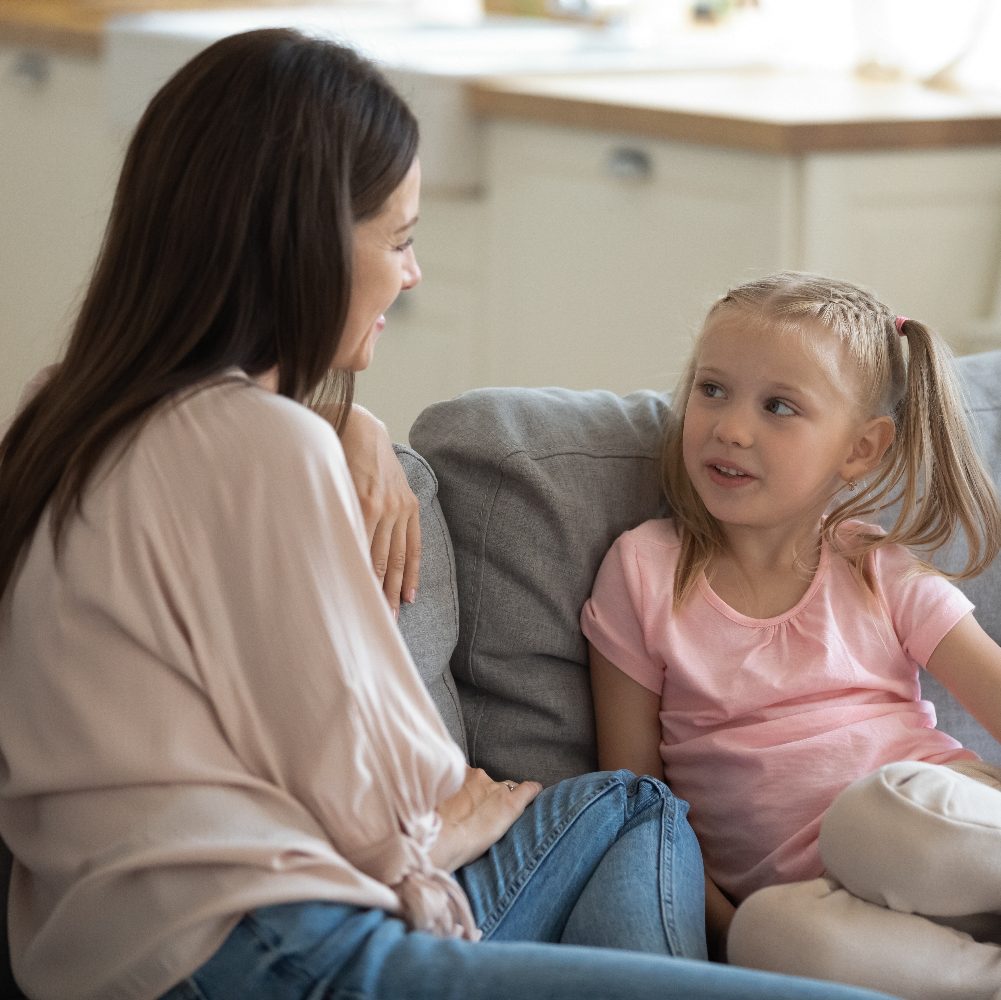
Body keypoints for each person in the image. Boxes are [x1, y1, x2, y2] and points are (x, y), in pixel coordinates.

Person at [0, 31, 898, 1000]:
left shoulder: (65, 417)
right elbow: (380, 796)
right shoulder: (257, 444)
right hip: (266, 946)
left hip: (108, 946)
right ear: (301, 241)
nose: (411, 274)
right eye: (398, 239)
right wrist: (451, 810)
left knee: (627, 802)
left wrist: (343, 417)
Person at [583, 271, 1001, 998]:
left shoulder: (871, 565)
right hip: (839, 914)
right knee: (762, 933)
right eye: (712, 389)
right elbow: (636, 796)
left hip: (929, 837)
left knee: (870, 817)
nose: (730, 427)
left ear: (860, 450)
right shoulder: (641, 571)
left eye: (778, 406)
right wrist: (715, 925)